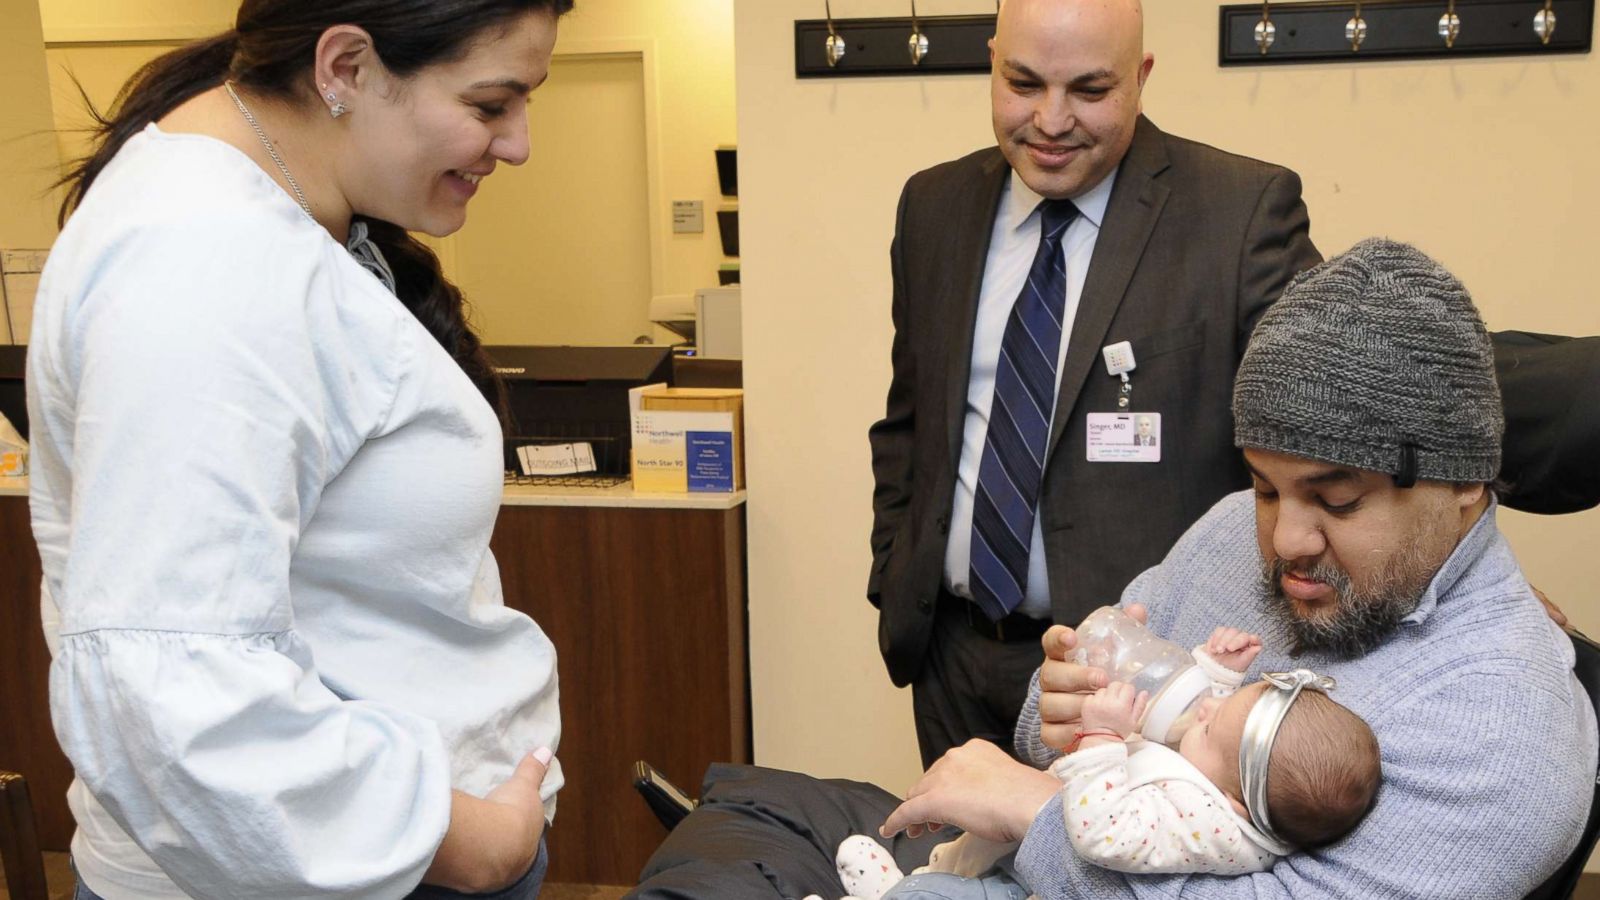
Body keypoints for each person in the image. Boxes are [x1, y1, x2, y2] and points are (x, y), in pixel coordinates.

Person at [631, 239, 1598, 899]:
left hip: (1026, 857)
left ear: (1466, 484)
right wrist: (1057, 709)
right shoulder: (1229, 532)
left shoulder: (1507, 733)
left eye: (1335, 501)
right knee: (733, 822)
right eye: (1266, 488)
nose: (1284, 540)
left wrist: (1037, 808)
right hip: (995, 862)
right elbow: (1049, 734)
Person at [29, 2, 573, 897]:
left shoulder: (282, 213)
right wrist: (461, 838)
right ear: (346, 68)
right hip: (356, 865)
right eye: (489, 105)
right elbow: (174, 687)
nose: (516, 144)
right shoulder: (205, 262)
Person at [866, 0, 1322, 767]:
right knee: (952, 875)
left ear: (1140, 79)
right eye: (1023, 83)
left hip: (1133, 683)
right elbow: (911, 424)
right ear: (991, 63)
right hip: (953, 656)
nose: (1050, 119)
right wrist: (895, 572)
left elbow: (1328, 425)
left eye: (1088, 90)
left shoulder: (1239, 214)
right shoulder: (933, 208)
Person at [826, 629, 1379, 900]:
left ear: (1232, 803)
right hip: (1023, 862)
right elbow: (1207, 737)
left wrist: (1102, 739)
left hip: (1042, 889)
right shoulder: (1229, 786)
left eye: (1213, 720)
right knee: (961, 869)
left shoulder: (1208, 826)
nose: (1202, 709)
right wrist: (1218, 674)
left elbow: (1099, 831)